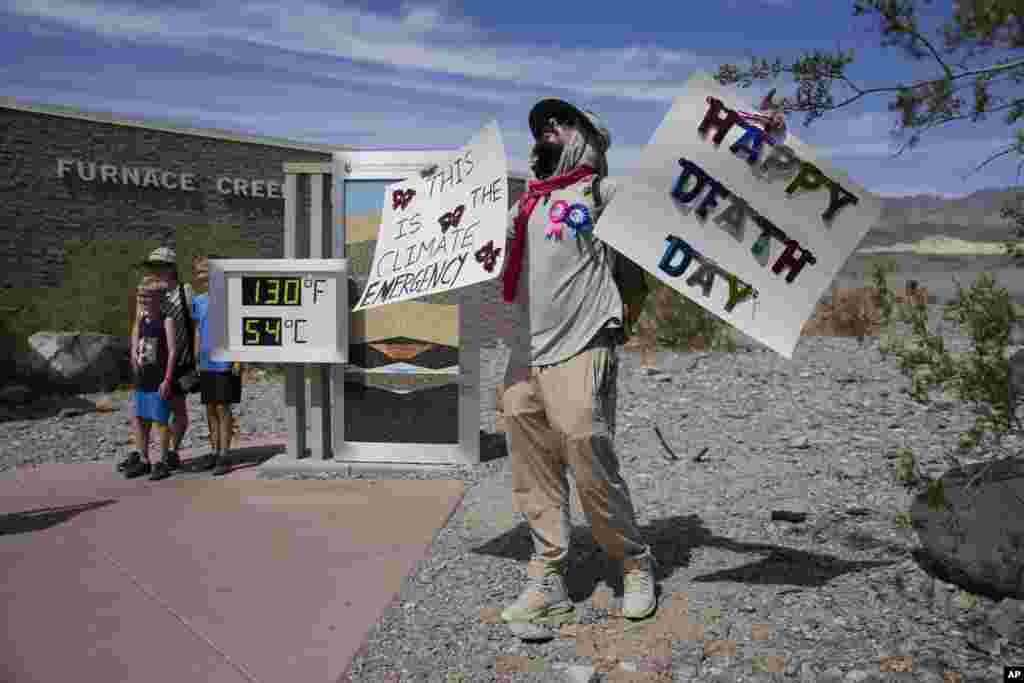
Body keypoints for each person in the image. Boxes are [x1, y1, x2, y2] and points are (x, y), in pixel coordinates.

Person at [496, 98, 657, 640]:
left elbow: (679, 209)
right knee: (531, 463)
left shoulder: (601, 193)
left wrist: (759, 149)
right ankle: (547, 573)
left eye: (561, 123)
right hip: (526, 352)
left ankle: (633, 562)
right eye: (542, 125)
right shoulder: (527, 204)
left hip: (583, 341)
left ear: (589, 138)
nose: (547, 130)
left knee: (586, 447)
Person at [136, 247, 193, 469]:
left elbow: (193, 323)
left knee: (177, 407)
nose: (154, 270)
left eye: (159, 265)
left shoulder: (184, 292)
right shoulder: (146, 289)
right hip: (151, 359)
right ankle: (143, 455)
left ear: (171, 268)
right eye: (152, 266)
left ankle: (172, 451)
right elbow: (138, 322)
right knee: (147, 409)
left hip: (180, 360)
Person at [191, 254, 242, 476]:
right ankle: (214, 451)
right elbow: (198, 329)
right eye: (197, 271)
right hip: (205, 361)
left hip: (225, 360)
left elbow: (239, 329)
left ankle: (225, 454)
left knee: (223, 407)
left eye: (204, 270)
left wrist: (239, 358)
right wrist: (195, 357)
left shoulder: (230, 298)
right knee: (210, 407)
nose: (200, 275)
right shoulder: (198, 301)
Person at [123, 282, 177, 480]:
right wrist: (133, 358)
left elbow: (172, 351)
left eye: (147, 297)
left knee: (160, 420)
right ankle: (144, 459)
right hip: (142, 376)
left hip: (159, 376)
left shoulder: (166, 320)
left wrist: (168, 379)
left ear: (159, 299)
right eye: (141, 297)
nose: (143, 301)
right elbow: (134, 341)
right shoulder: (141, 319)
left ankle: (162, 461)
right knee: (139, 418)